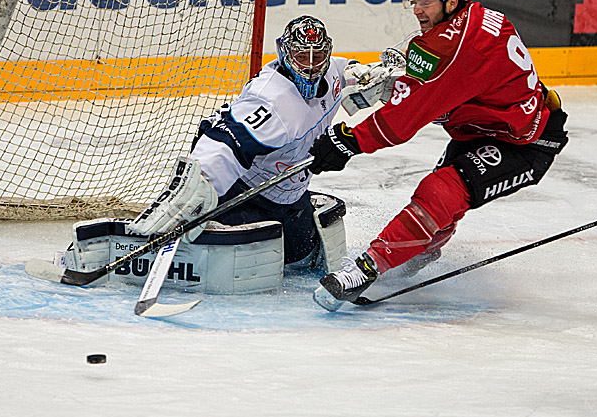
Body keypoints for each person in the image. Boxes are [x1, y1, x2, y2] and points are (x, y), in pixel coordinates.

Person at [61, 16, 398, 294]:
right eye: (301, 57)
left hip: (288, 194)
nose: (311, 66)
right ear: (285, 55)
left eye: (317, 57)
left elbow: (356, 75)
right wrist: (195, 189)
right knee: (212, 243)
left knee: (300, 256)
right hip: (244, 192)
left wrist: (384, 77)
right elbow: (223, 144)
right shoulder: (271, 100)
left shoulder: (334, 74)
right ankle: (149, 243)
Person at [307, 0, 569, 311]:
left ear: (452, 0)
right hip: (484, 128)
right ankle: (421, 250)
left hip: (525, 142)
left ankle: (367, 268)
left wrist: (348, 140)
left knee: (441, 191)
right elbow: (452, 90)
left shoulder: (452, 46)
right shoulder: (472, 21)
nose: (416, 9)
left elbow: (404, 119)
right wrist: (400, 85)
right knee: (443, 203)